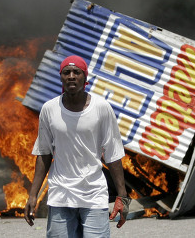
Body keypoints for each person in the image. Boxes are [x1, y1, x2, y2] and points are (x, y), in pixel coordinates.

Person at [24, 55, 131, 237]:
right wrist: (33, 194)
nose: (71, 76)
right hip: (61, 194)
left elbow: (113, 153)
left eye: (77, 72)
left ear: (85, 77)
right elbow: (44, 153)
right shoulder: (49, 109)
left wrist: (123, 197)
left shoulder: (101, 108)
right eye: (66, 72)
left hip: (94, 194)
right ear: (61, 77)